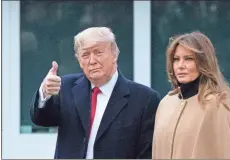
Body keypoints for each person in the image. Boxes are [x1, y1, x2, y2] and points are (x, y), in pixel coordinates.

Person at [30, 27, 161, 159]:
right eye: (85, 55)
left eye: (98, 52)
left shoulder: (144, 99)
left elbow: (146, 153)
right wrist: (45, 93)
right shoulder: (66, 87)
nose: (92, 61)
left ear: (114, 54)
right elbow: (41, 119)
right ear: (80, 61)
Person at [152, 31, 230, 159]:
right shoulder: (165, 104)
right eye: (176, 59)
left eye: (188, 59)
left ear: (203, 62)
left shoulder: (214, 105)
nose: (180, 66)